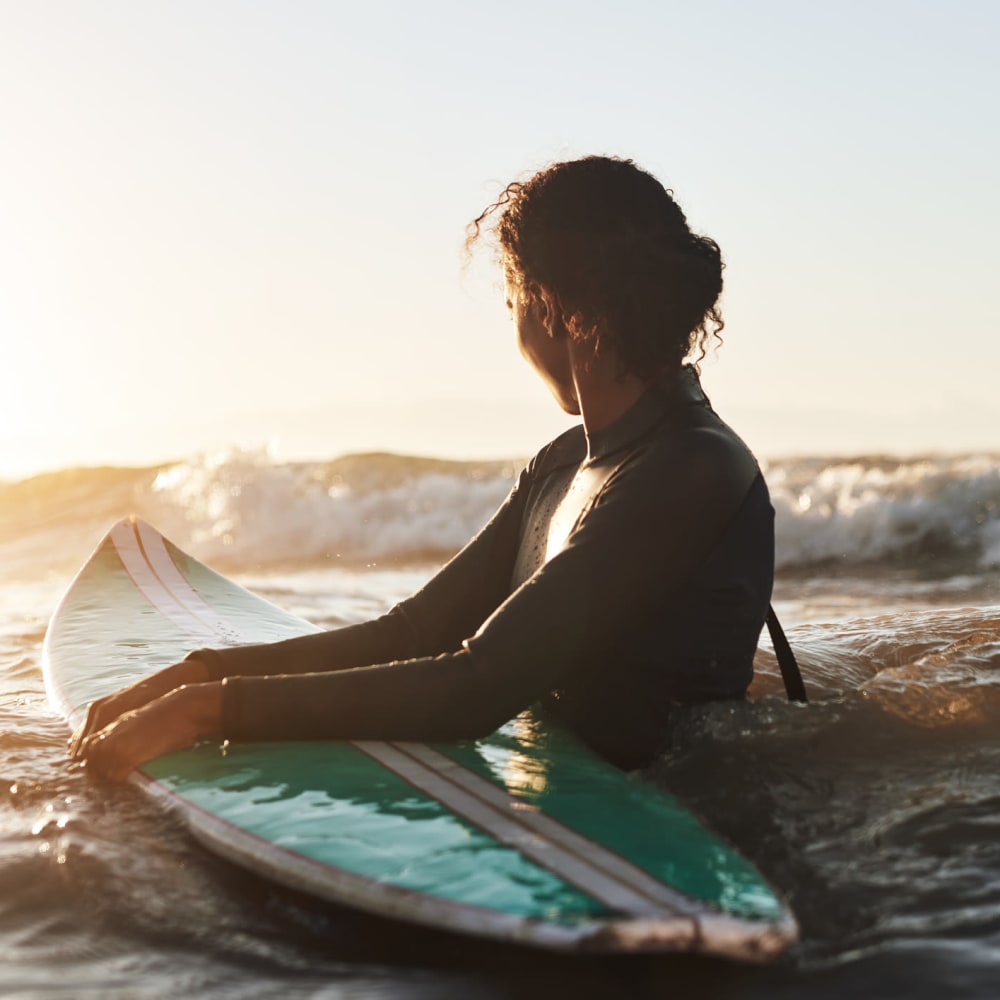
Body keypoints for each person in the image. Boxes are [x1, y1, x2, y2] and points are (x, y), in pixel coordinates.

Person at [71, 155, 775, 782]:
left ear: (552, 308)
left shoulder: (692, 468)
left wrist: (208, 714)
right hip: (579, 784)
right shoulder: (564, 464)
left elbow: (477, 686)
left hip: (688, 809)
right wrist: (204, 675)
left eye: (512, 305)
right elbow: (411, 634)